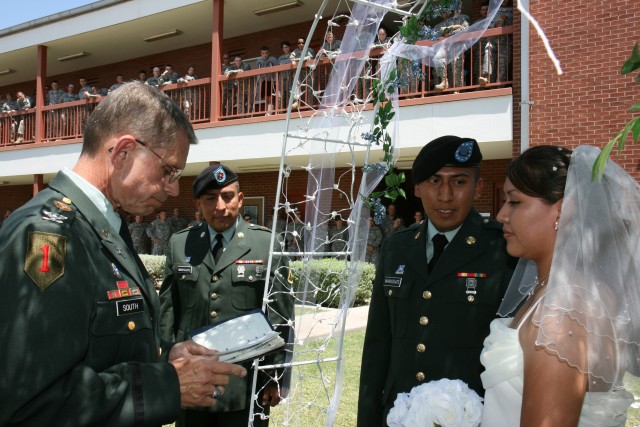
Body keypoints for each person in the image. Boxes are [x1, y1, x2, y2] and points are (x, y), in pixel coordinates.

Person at [0, 82, 247, 425]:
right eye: (168, 171)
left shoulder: (105, 225)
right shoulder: (48, 237)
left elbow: (106, 350)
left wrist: (164, 359)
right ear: (123, 153)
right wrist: (169, 384)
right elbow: (32, 405)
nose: (174, 189)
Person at [357, 135, 517, 426]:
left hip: (472, 417)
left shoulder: (502, 249)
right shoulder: (397, 247)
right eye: (434, 181)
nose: (445, 195)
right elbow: (377, 347)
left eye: (459, 181)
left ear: (478, 187)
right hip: (399, 416)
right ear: (417, 188)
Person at [480, 145, 640, 426]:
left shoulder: (562, 315)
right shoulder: (568, 293)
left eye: (514, 202)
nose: (501, 215)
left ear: (562, 210)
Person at [159, 164, 294, 427]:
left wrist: (275, 376)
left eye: (228, 196)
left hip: (245, 384)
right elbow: (167, 313)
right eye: (210, 198)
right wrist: (165, 368)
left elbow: (281, 314)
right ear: (198, 203)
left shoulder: (265, 244)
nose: (220, 206)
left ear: (240, 200)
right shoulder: (179, 244)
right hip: (191, 380)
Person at [433, 6, 469, 91]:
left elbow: (464, 30)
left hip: (458, 46)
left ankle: (457, 89)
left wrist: (449, 32)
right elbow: (441, 31)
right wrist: (454, 27)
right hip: (446, 47)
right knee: (437, 58)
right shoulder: (448, 21)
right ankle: (444, 81)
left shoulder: (464, 18)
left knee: (456, 67)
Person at [255, 46, 279, 115]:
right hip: (264, 80)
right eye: (263, 53)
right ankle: (267, 111)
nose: (264, 55)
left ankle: (270, 112)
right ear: (261, 54)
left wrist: (275, 80)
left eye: (266, 53)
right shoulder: (259, 61)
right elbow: (258, 71)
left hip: (272, 80)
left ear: (269, 53)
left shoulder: (273, 59)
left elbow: (277, 69)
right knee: (266, 97)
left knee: (271, 97)